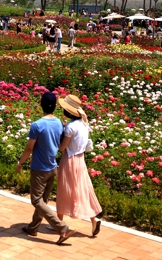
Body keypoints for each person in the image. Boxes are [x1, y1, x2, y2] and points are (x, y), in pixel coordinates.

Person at [16, 92, 76, 245]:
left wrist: (20, 163)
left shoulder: (37, 125)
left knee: (36, 200)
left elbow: (29, 148)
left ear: (41, 104)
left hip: (39, 169)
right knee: (43, 200)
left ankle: (62, 228)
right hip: (52, 167)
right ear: (55, 106)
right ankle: (33, 227)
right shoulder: (58, 123)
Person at [54, 95, 102, 237]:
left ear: (68, 112)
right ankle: (93, 219)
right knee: (82, 190)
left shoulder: (70, 127)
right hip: (80, 160)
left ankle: (60, 224)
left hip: (69, 160)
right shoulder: (84, 124)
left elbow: (62, 148)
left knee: (64, 190)